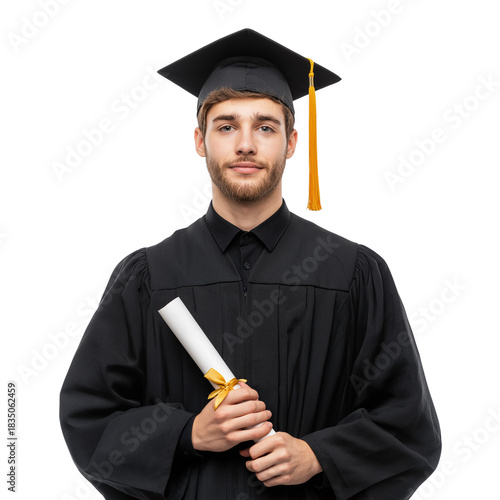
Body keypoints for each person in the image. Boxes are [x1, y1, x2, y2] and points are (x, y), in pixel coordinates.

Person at [60, 28, 441, 500]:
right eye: (226, 126)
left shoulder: (353, 273)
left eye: (265, 126)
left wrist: (319, 456)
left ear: (292, 141)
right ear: (200, 141)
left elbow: (408, 427)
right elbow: (89, 418)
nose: (245, 144)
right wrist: (187, 434)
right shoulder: (149, 276)